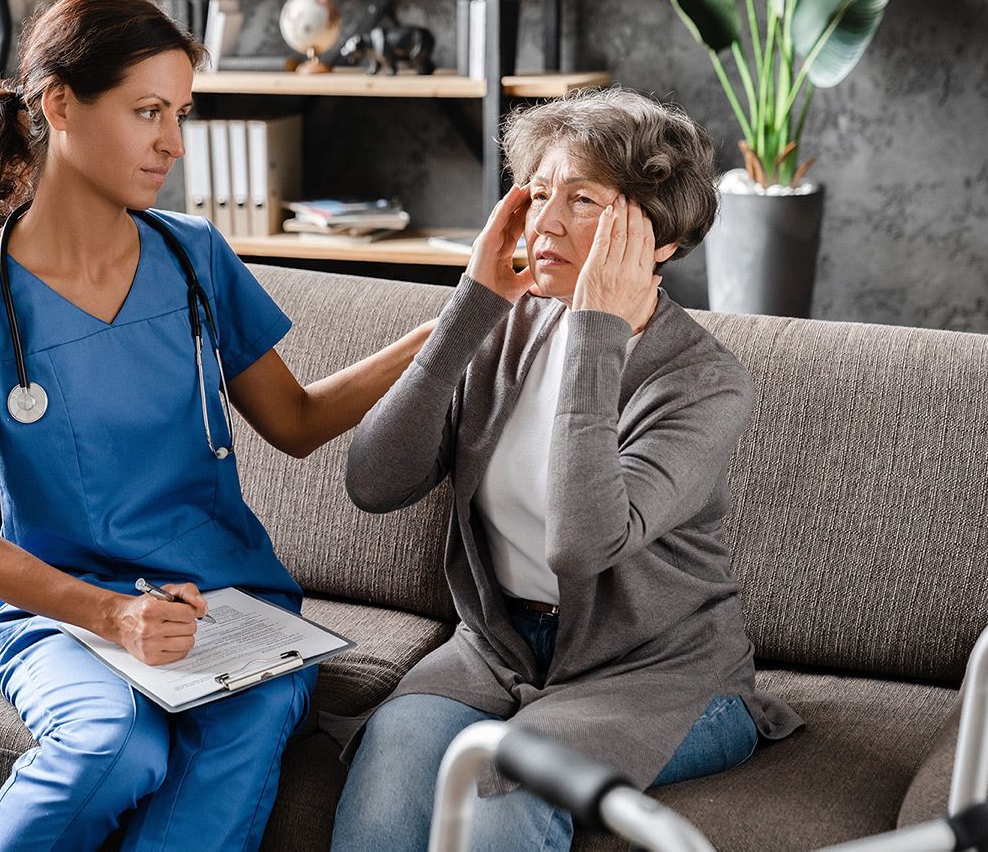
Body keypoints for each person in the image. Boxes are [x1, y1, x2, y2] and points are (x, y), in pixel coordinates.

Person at [0, 0, 435, 852]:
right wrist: (109, 616)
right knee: (113, 747)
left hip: (231, 601)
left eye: (178, 113)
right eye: (147, 112)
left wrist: (447, 331)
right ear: (59, 103)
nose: (172, 143)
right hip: (63, 612)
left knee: (242, 732)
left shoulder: (195, 255)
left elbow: (293, 420)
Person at [331, 88, 805, 852]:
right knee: (393, 770)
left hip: (659, 672)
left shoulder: (701, 381)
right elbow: (373, 482)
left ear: (660, 235)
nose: (544, 223)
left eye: (582, 199)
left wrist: (595, 332)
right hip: (496, 650)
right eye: (539, 193)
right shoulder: (504, 332)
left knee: (507, 785)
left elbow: (583, 544)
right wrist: (470, 307)